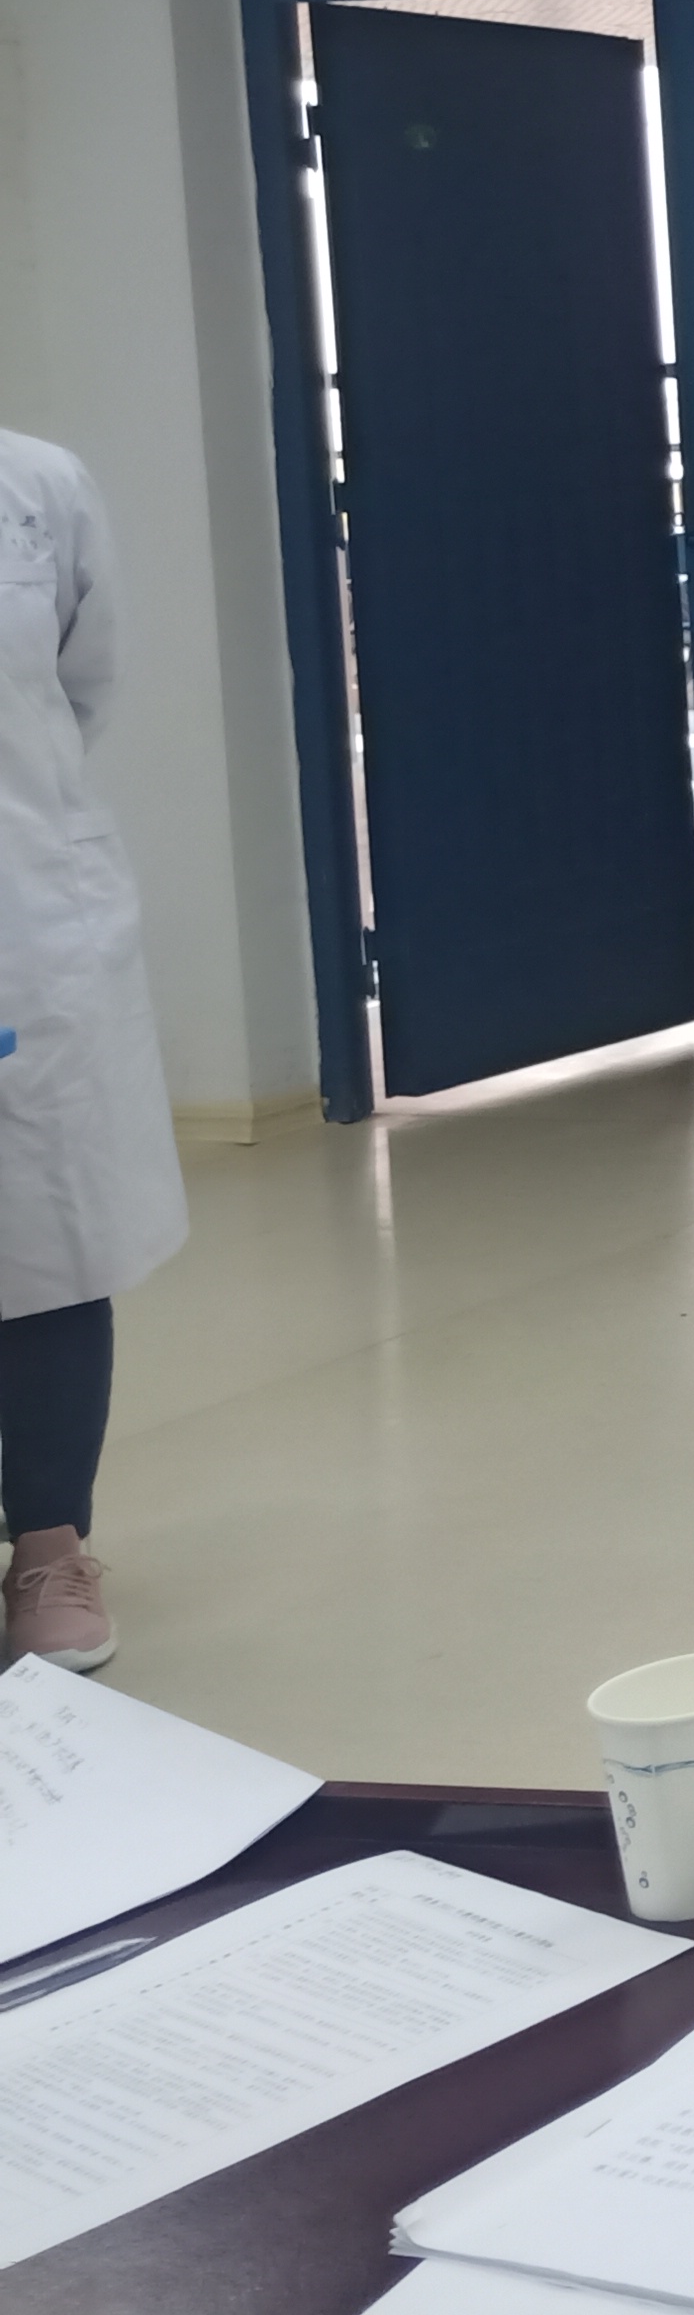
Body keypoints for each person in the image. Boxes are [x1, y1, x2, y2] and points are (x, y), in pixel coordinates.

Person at [0, 429, 186, 1674]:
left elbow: (84, 684)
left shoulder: (35, 487)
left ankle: (48, 1546)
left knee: (43, 1232)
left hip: (20, 909)